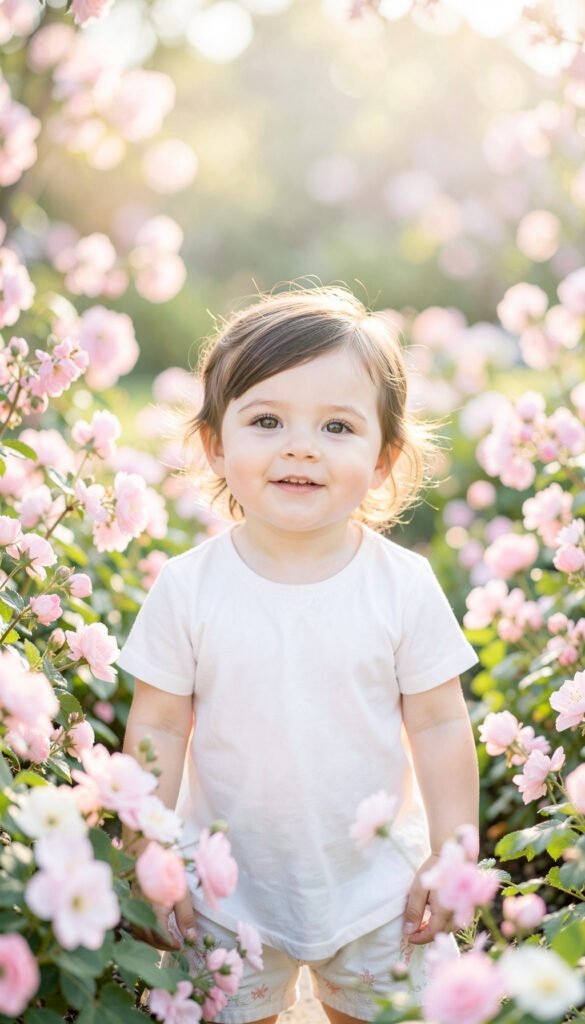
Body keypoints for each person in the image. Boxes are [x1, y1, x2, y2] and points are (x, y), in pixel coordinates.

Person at [117, 285, 480, 1024]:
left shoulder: (401, 586)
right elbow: (156, 729)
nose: (300, 446)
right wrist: (150, 860)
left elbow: (440, 726)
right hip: (227, 888)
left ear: (384, 460)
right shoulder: (189, 588)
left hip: (377, 887)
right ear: (216, 443)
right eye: (267, 420)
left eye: (337, 426)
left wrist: (452, 854)